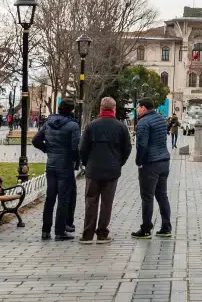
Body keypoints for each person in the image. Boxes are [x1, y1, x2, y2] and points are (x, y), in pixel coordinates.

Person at [78, 97, 131, 244]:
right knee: (107, 202)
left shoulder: (91, 126)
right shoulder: (120, 127)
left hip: (93, 169)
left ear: (101, 108)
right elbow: (127, 148)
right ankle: (102, 233)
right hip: (112, 170)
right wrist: (119, 163)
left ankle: (88, 234)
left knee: (91, 200)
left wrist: (86, 163)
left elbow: (82, 148)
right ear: (114, 109)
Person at [34, 99, 80, 240]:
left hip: (51, 164)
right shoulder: (73, 126)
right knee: (63, 198)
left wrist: (48, 150)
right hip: (65, 166)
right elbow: (74, 148)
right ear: (71, 110)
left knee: (50, 198)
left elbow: (36, 140)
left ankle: (45, 230)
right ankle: (60, 231)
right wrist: (76, 162)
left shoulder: (48, 123)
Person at [131, 99, 172, 239]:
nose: (137, 110)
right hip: (164, 161)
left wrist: (139, 162)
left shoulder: (143, 122)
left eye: (138, 107)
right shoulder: (161, 119)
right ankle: (166, 227)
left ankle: (146, 229)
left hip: (150, 163)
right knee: (162, 195)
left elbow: (142, 144)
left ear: (143, 108)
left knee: (147, 197)